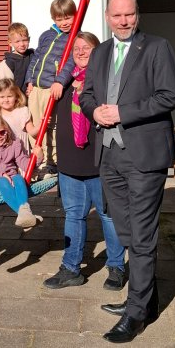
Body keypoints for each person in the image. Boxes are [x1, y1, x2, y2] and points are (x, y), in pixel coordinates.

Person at [79, 0, 175, 343]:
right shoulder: (101, 52)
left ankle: (136, 313)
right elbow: (86, 93)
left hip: (144, 155)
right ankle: (147, 297)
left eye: (130, 15)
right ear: (107, 17)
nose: (123, 22)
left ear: (138, 14)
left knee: (141, 235)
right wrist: (94, 110)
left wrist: (123, 112)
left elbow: (170, 95)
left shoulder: (157, 47)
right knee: (124, 229)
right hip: (108, 154)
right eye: (117, 15)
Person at [42, 31, 126, 292]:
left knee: (108, 216)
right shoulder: (63, 83)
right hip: (69, 163)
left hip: (99, 162)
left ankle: (116, 267)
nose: (80, 51)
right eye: (76, 47)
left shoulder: (104, 81)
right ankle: (71, 268)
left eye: (86, 47)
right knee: (74, 216)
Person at [24, 0, 78, 175]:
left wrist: (59, 81)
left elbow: (71, 63)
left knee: (51, 125)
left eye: (68, 17)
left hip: (51, 88)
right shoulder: (46, 35)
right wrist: (29, 81)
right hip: (37, 88)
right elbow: (36, 59)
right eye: (59, 18)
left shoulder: (74, 37)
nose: (64, 22)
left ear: (75, 15)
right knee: (33, 125)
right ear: (53, 18)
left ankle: (52, 161)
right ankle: (38, 158)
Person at [0, 115, 44, 229]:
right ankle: (25, 215)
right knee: (3, 181)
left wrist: (37, 157)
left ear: (7, 131)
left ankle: (25, 213)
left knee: (18, 178)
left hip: (13, 178)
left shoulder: (14, 144)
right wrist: (1, 174)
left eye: (2, 132)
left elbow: (24, 163)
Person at [0, 78, 37, 153]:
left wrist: (42, 124)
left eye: (9, 96)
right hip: (3, 155)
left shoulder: (22, 111)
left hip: (21, 154)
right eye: (2, 97)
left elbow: (32, 131)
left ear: (16, 96)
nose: (6, 100)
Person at [0, 22, 34, 91]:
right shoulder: (9, 62)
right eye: (17, 41)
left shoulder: (33, 55)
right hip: (17, 98)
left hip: (32, 96)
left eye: (24, 40)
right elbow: (5, 86)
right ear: (10, 43)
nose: (22, 44)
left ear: (29, 39)